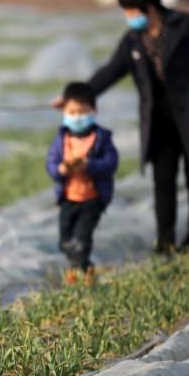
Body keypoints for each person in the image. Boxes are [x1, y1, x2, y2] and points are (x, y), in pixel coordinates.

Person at [58, 0, 189, 253]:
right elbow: (111, 71)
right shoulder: (132, 40)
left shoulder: (186, 26)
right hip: (159, 121)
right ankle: (165, 241)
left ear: (149, 7)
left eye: (131, 11)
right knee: (162, 180)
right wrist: (77, 97)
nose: (128, 17)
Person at [46, 82, 119, 273]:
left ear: (93, 110)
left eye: (82, 112)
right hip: (68, 199)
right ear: (64, 112)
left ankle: (83, 271)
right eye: (71, 112)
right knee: (65, 241)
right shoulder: (62, 139)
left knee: (81, 239)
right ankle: (78, 265)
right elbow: (51, 163)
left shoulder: (102, 138)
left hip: (92, 199)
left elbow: (111, 163)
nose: (76, 117)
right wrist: (60, 170)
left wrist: (90, 165)